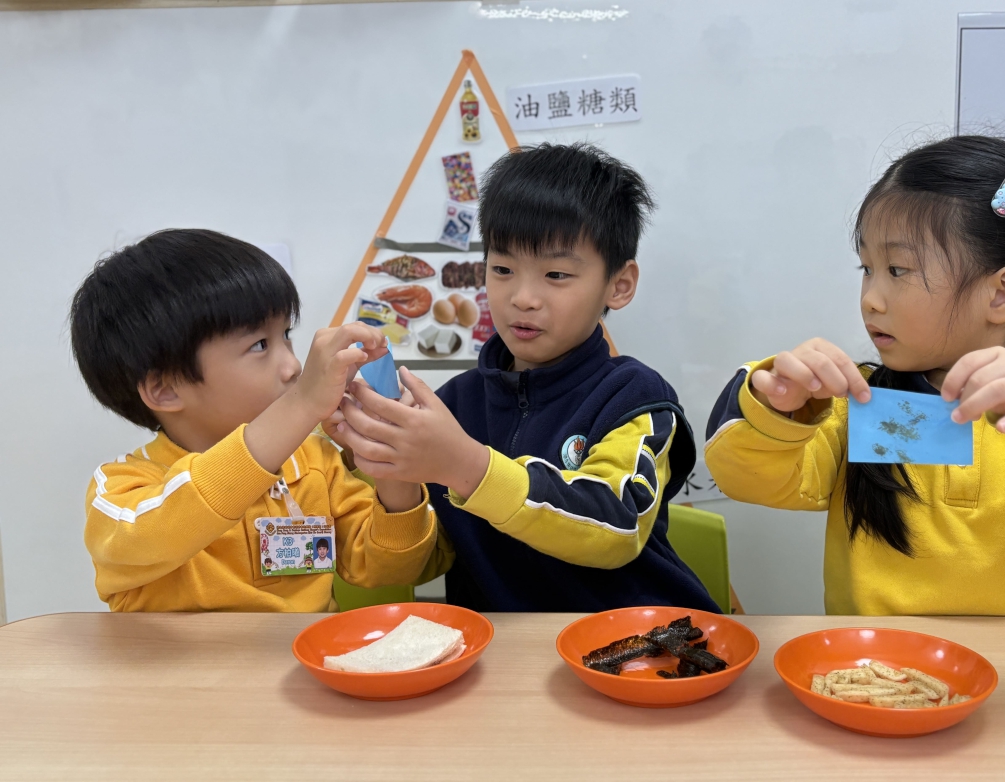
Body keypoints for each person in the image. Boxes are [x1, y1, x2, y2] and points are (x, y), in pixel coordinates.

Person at [704, 135, 1005, 618]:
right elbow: (746, 477)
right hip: (888, 671)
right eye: (867, 268)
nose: (870, 299)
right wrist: (779, 409)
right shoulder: (859, 404)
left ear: (1003, 293)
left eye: (898, 270)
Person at [328, 143, 718, 613]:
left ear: (619, 284)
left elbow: (616, 527)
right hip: (500, 650)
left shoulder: (635, 396)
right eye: (503, 269)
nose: (523, 297)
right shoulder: (453, 405)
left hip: (636, 639)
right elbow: (414, 565)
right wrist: (391, 468)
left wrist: (466, 465)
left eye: (556, 274)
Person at [71, 229, 437, 612]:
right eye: (259, 345)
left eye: (286, 335)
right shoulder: (121, 491)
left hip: (304, 651)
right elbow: (153, 533)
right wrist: (301, 404)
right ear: (165, 390)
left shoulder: (314, 462)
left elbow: (392, 569)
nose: (293, 366)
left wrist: (391, 462)